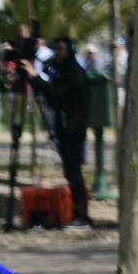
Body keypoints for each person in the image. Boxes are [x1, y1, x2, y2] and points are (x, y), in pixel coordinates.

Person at [34, 36, 92, 231]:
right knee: (70, 171)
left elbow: (56, 94)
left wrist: (35, 78)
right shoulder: (61, 71)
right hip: (65, 128)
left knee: (74, 171)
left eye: (60, 49)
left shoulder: (74, 73)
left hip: (73, 129)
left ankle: (81, 215)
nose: (57, 53)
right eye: (55, 49)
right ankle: (78, 214)